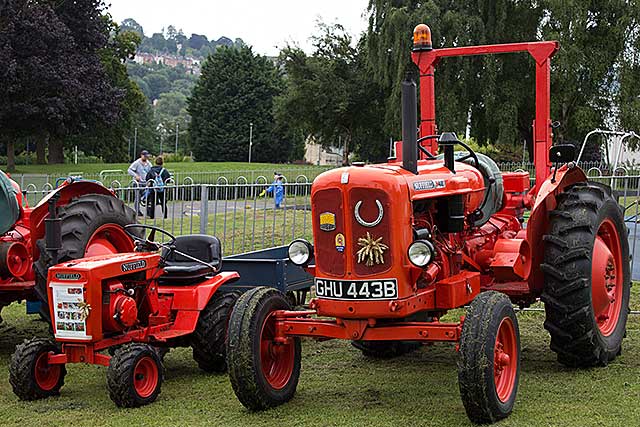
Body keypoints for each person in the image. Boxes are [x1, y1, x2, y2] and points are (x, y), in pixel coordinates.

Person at [128, 150, 152, 216]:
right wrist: (136, 175)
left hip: (146, 183)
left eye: (146, 156)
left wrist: (150, 180)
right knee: (137, 197)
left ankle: (148, 211)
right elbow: (129, 170)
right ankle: (137, 211)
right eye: (144, 156)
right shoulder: (137, 163)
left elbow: (151, 172)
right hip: (138, 183)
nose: (146, 157)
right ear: (141, 155)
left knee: (147, 197)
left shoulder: (149, 164)